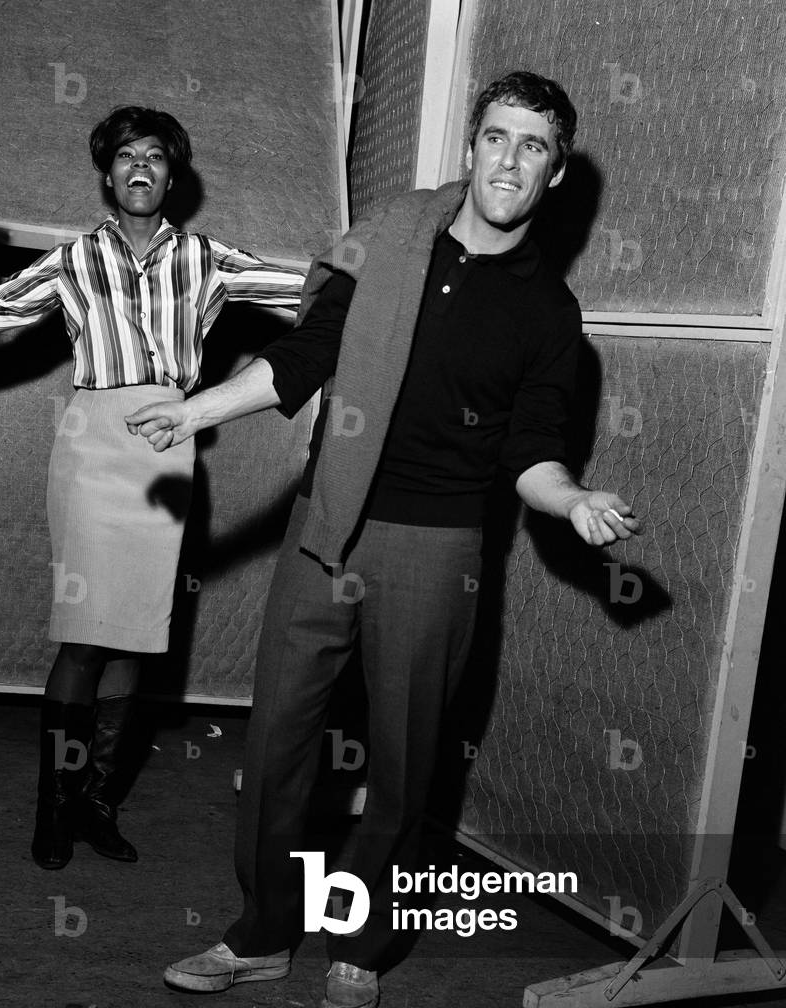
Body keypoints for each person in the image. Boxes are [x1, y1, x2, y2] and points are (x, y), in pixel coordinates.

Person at [126, 72, 642, 1008]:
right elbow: (303, 357)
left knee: (403, 758)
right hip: (327, 520)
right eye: (495, 137)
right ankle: (263, 930)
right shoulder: (390, 241)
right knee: (279, 738)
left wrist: (568, 502)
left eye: (533, 147)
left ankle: (360, 944)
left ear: (556, 174)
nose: (508, 160)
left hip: (435, 547)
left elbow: (533, 450)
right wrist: (197, 408)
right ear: (471, 146)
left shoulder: (547, 314)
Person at [0, 106, 305, 872]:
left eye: (155, 157)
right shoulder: (72, 260)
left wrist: (387, 274)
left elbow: (311, 292)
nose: (140, 168)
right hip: (91, 447)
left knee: (136, 631)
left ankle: (98, 799)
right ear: (106, 174)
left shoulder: (207, 258)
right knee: (86, 633)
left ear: (172, 175)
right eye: (126, 156)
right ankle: (55, 804)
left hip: (170, 444)